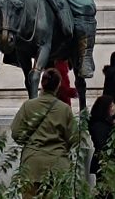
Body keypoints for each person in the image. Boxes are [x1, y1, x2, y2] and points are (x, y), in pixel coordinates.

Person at [11, 68, 77, 198]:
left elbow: (16, 133)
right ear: (58, 85)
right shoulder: (65, 109)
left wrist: (30, 142)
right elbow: (74, 138)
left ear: (42, 83)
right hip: (58, 165)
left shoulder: (28, 106)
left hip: (32, 165)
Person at [89, 94, 115, 197]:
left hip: (108, 162)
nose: (112, 110)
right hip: (103, 163)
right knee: (105, 192)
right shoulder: (99, 125)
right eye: (110, 107)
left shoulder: (105, 123)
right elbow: (102, 144)